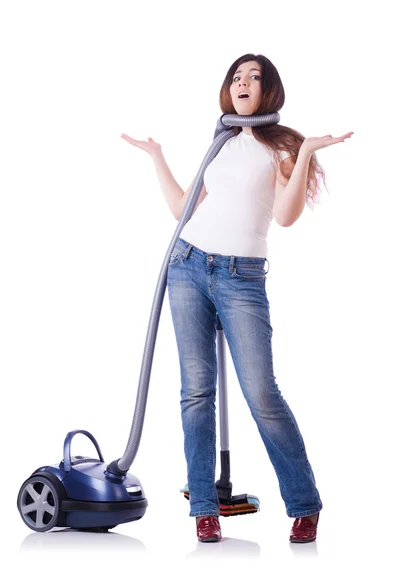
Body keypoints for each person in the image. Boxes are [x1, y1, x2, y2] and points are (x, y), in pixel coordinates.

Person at [121, 53, 353, 544]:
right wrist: (157, 155)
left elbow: (287, 217)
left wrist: (308, 150)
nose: (243, 82)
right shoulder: (221, 142)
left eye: (254, 77)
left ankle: (304, 504)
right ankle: (205, 509)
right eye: (236, 77)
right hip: (187, 266)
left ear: (268, 90)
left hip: (241, 278)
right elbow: (184, 208)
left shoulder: (281, 146)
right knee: (195, 393)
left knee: (262, 394)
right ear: (228, 90)